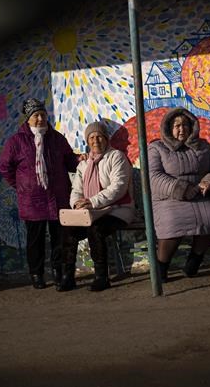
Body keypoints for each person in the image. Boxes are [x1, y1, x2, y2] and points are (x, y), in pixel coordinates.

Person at [0, 98, 81, 289]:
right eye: (36, 115)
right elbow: (4, 166)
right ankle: (36, 274)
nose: (40, 119)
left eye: (43, 115)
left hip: (58, 197)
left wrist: (81, 159)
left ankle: (58, 272)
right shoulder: (16, 141)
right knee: (35, 240)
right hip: (32, 200)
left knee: (59, 237)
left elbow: (69, 160)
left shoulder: (56, 138)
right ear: (28, 119)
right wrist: (20, 185)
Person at [148, 108, 210, 282]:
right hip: (168, 198)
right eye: (177, 125)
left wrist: (209, 181)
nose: (181, 129)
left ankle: (194, 261)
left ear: (192, 127)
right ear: (169, 128)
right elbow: (154, 177)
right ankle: (161, 268)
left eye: (185, 125)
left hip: (199, 195)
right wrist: (182, 189)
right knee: (173, 222)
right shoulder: (157, 148)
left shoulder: (203, 146)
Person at [57, 121, 135, 292]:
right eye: (91, 137)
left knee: (96, 229)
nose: (95, 140)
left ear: (106, 138)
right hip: (90, 212)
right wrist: (77, 204)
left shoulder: (116, 157)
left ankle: (101, 276)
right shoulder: (84, 164)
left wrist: (92, 201)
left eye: (99, 136)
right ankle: (68, 276)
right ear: (87, 141)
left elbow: (118, 188)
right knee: (68, 231)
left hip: (118, 209)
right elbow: (76, 190)